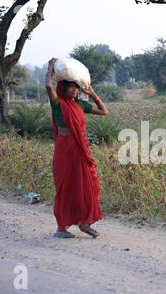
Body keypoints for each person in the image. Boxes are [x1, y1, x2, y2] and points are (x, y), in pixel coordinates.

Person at [45, 57, 109, 238]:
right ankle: (61, 228)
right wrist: (50, 68)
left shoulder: (80, 104)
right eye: (71, 87)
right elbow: (48, 87)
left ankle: (85, 223)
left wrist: (93, 93)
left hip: (80, 149)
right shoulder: (58, 104)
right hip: (65, 149)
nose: (75, 90)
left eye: (76, 87)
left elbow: (104, 111)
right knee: (66, 187)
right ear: (63, 88)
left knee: (91, 184)